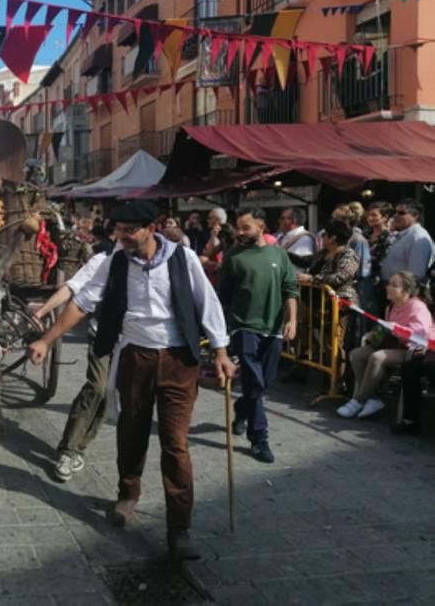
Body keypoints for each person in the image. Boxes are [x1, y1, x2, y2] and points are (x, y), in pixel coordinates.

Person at [28, 200, 235, 562]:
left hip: (178, 359)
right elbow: (83, 302)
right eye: (119, 230)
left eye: (129, 230)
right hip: (135, 356)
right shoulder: (116, 262)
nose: (122, 236)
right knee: (131, 429)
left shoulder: (182, 259)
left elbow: (208, 303)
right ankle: (128, 494)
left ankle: (179, 527)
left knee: (175, 443)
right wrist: (47, 339)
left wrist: (220, 351)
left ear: (150, 228)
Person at [32, 223, 123, 482]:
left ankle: (81, 446)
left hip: (133, 342)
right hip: (102, 333)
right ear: (116, 234)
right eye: (123, 230)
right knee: (98, 386)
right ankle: (69, 449)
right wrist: (42, 311)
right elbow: (74, 288)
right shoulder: (103, 260)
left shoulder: (152, 262)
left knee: (111, 393)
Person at [219, 206, 299, 464]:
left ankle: (242, 409)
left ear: (261, 226)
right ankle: (259, 438)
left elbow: (291, 289)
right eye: (238, 227)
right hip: (244, 326)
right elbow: (223, 296)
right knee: (254, 381)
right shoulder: (233, 256)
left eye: (246, 227)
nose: (240, 232)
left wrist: (292, 319)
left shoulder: (279, 255)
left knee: (264, 382)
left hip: (273, 327)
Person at [338, 271, 435, 420]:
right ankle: (373, 398)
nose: (388, 287)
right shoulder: (391, 306)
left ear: (406, 291)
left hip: (411, 350)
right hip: (393, 344)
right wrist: (377, 333)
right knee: (356, 354)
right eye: (389, 284)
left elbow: (419, 335)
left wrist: (397, 329)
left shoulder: (417, 307)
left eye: (394, 285)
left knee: (377, 357)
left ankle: (359, 399)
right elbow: (387, 327)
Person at [297, 219, 360, 367]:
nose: (322, 238)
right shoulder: (323, 253)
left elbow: (341, 276)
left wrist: (313, 279)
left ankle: (335, 383)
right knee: (300, 321)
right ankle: (312, 351)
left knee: (333, 342)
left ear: (333, 238)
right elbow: (305, 261)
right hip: (316, 301)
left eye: (325, 235)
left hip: (338, 303)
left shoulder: (348, 255)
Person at [380, 199, 434, 284]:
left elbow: (416, 274)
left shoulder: (417, 237)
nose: (395, 216)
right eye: (396, 212)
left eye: (401, 213)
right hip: (391, 288)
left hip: (403, 291)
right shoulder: (404, 234)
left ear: (415, 215)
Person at [364, 202, 394, 315]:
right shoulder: (365, 234)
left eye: (374, 215)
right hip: (364, 282)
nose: (370, 218)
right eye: (368, 215)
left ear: (385, 217)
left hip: (380, 284)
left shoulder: (389, 237)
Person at [275, 207, 316, 274]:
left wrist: (281, 252)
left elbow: (304, 262)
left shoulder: (305, 238)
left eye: (282, 218)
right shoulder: (282, 237)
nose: (279, 221)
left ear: (293, 221)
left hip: (296, 281)